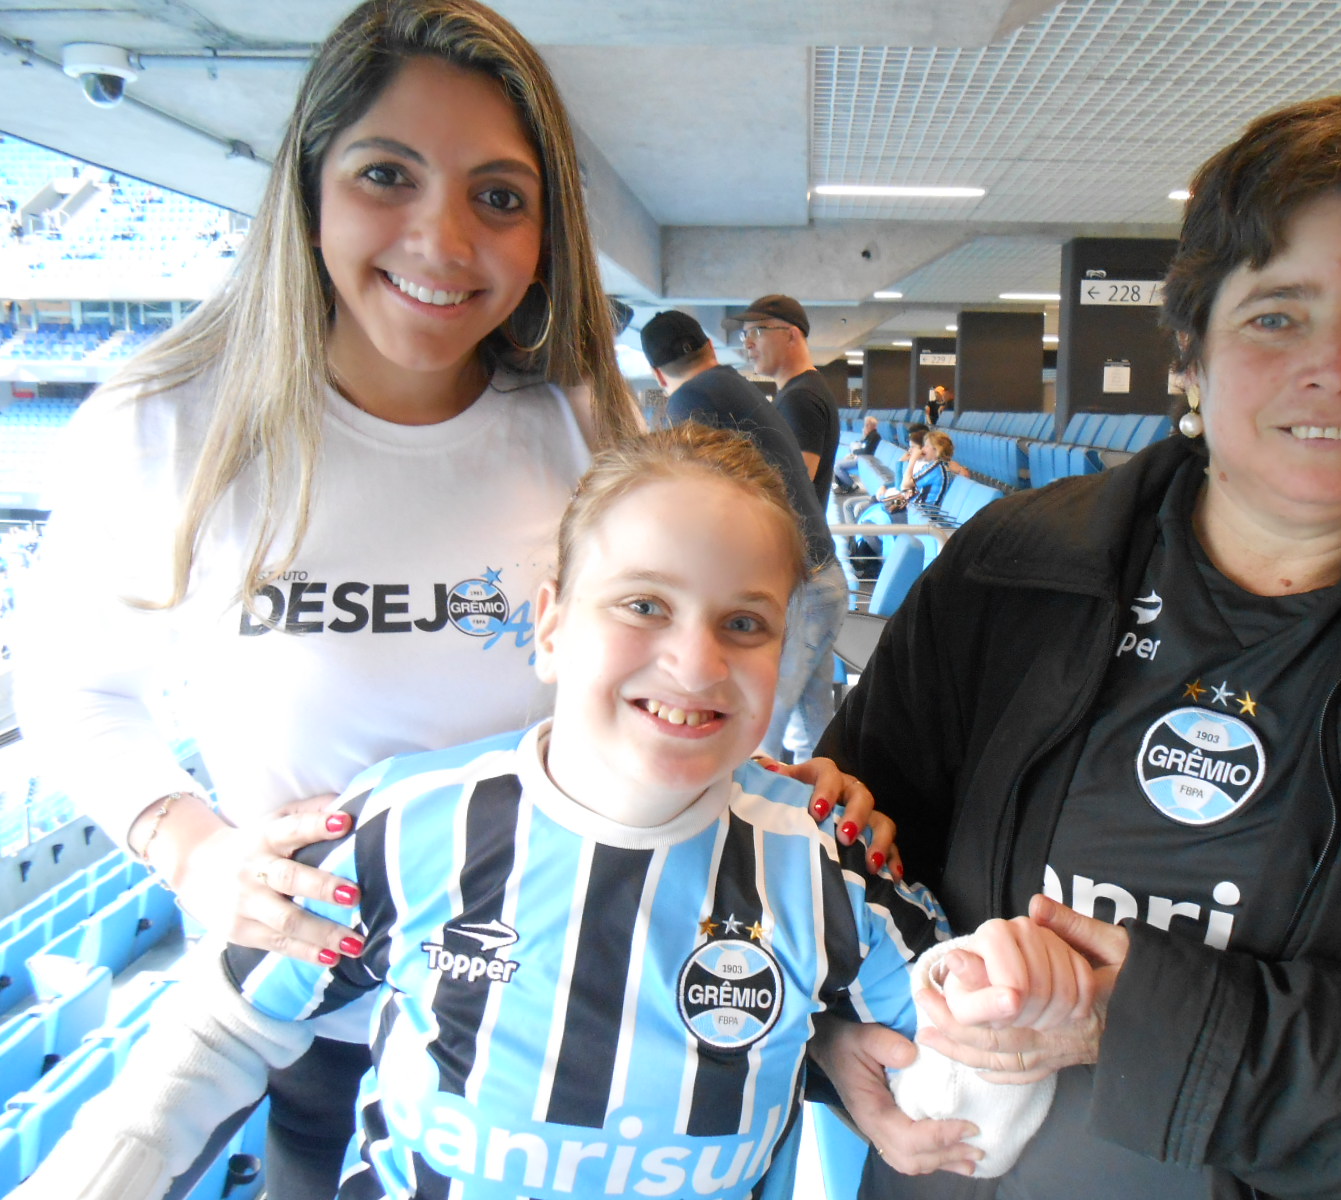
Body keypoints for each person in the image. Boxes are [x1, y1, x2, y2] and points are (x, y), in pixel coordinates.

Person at [14, 3, 881, 1195]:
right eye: (386, 175)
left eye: (499, 196)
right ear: (310, 185)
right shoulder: (170, 426)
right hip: (311, 1025)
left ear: (546, 233)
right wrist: (193, 849)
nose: (443, 240)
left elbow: (657, 686)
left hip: (600, 1028)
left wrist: (777, 806)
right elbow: (72, 691)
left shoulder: (580, 426)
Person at [811, 95, 1341, 1199]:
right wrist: (832, 1044)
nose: (1333, 365)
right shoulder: (1011, 571)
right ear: (1190, 352)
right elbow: (830, 865)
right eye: (1275, 315)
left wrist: (1125, 1023)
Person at [16, 425, 1058, 1200]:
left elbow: (963, 1110)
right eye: (642, 603)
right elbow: (224, 1026)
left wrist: (1002, 1004)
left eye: (743, 622)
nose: (693, 661)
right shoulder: (408, 824)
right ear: (552, 626)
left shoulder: (823, 858)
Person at [641, 309, 850, 775]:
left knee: (756, 731)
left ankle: (751, 839)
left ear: (658, 373)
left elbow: (693, 508)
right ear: (710, 350)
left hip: (799, 590)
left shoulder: (688, 405)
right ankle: (825, 829)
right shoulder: (735, 387)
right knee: (816, 735)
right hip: (822, 580)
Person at [726, 293, 840, 511]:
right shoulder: (800, 392)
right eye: (744, 335)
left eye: (757, 332)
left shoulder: (800, 399)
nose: (748, 343)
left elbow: (791, 493)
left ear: (791, 336)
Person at [834, 414, 881, 494]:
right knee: (838, 463)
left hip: (865, 460)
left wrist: (855, 452)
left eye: (867, 425)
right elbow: (862, 444)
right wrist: (864, 435)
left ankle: (852, 485)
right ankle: (843, 486)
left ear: (872, 426)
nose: (865, 427)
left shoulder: (875, 436)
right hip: (861, 458)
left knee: (837, 466)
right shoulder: (869, 435)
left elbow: (866, 451)